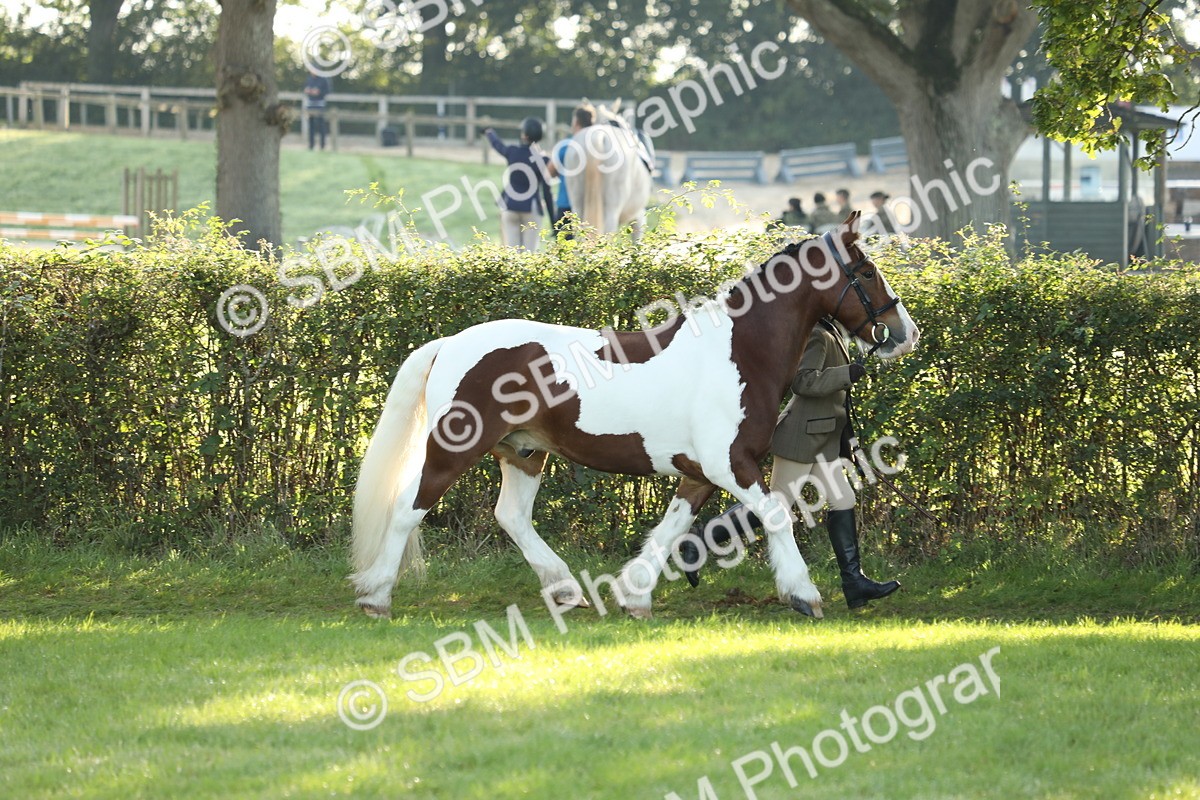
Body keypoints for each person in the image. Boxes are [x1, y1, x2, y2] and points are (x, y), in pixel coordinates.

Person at [678, 318, 902, 610]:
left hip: (824, 438)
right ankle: (699, 542)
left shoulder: (834, 332)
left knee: (843, 500)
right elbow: (803, 381)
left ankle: (854, 583)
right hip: (801, 436)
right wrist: (846, 374)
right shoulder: (817, 335)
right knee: (776, 507)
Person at [484, 118, 553, 251]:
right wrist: (553, 222)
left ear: (524, 135)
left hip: (510, 205)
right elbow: (547, 192)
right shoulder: (543, 160)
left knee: (512, 254)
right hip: (531, 207)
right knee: (529, 254)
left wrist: (489, 132)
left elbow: (498, 145)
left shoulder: (512, 152)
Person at [546, 102, 596, 235]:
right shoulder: (597, 148)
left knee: (564, 252)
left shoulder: (566, 145)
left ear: (576, 122)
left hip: (566, 206)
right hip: (592, 207)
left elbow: (549, 172)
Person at [304, 68, 331, 150]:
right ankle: (311, 145)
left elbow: (327, 91)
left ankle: (322, 145)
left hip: (320, 105)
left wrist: (319, 92)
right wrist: (307, 91)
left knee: (321, 125)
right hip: (310, 104)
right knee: (311, 125)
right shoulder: (309, 79)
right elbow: (305, 89)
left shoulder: (323, 80)